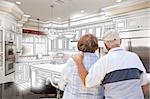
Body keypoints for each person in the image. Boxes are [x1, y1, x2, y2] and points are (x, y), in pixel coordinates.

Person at [73, 30, 148, 99]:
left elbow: (88, 83)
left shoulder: (103, 61)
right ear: (120, 42)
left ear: (105, 45)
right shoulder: (134, 57)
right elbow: (144, 84)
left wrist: (79, 62)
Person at [59, 34, 104, 99]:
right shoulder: (101, 63)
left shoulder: (73, 60)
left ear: (79, 45)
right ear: (96, 46)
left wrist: (62, 87)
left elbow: (62, 82)